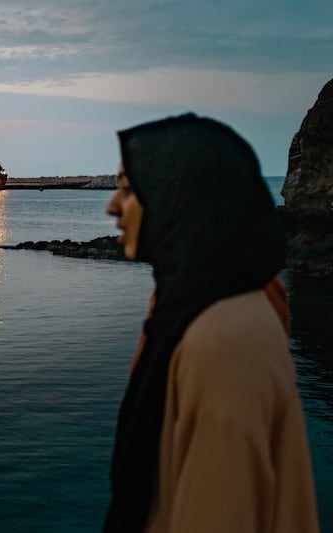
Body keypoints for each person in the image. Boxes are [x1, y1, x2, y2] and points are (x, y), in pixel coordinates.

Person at [103, 113, 319, 533]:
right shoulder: (200, 306)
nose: (111, 206)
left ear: (176, 197)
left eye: (128, 189)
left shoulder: (222, 340)